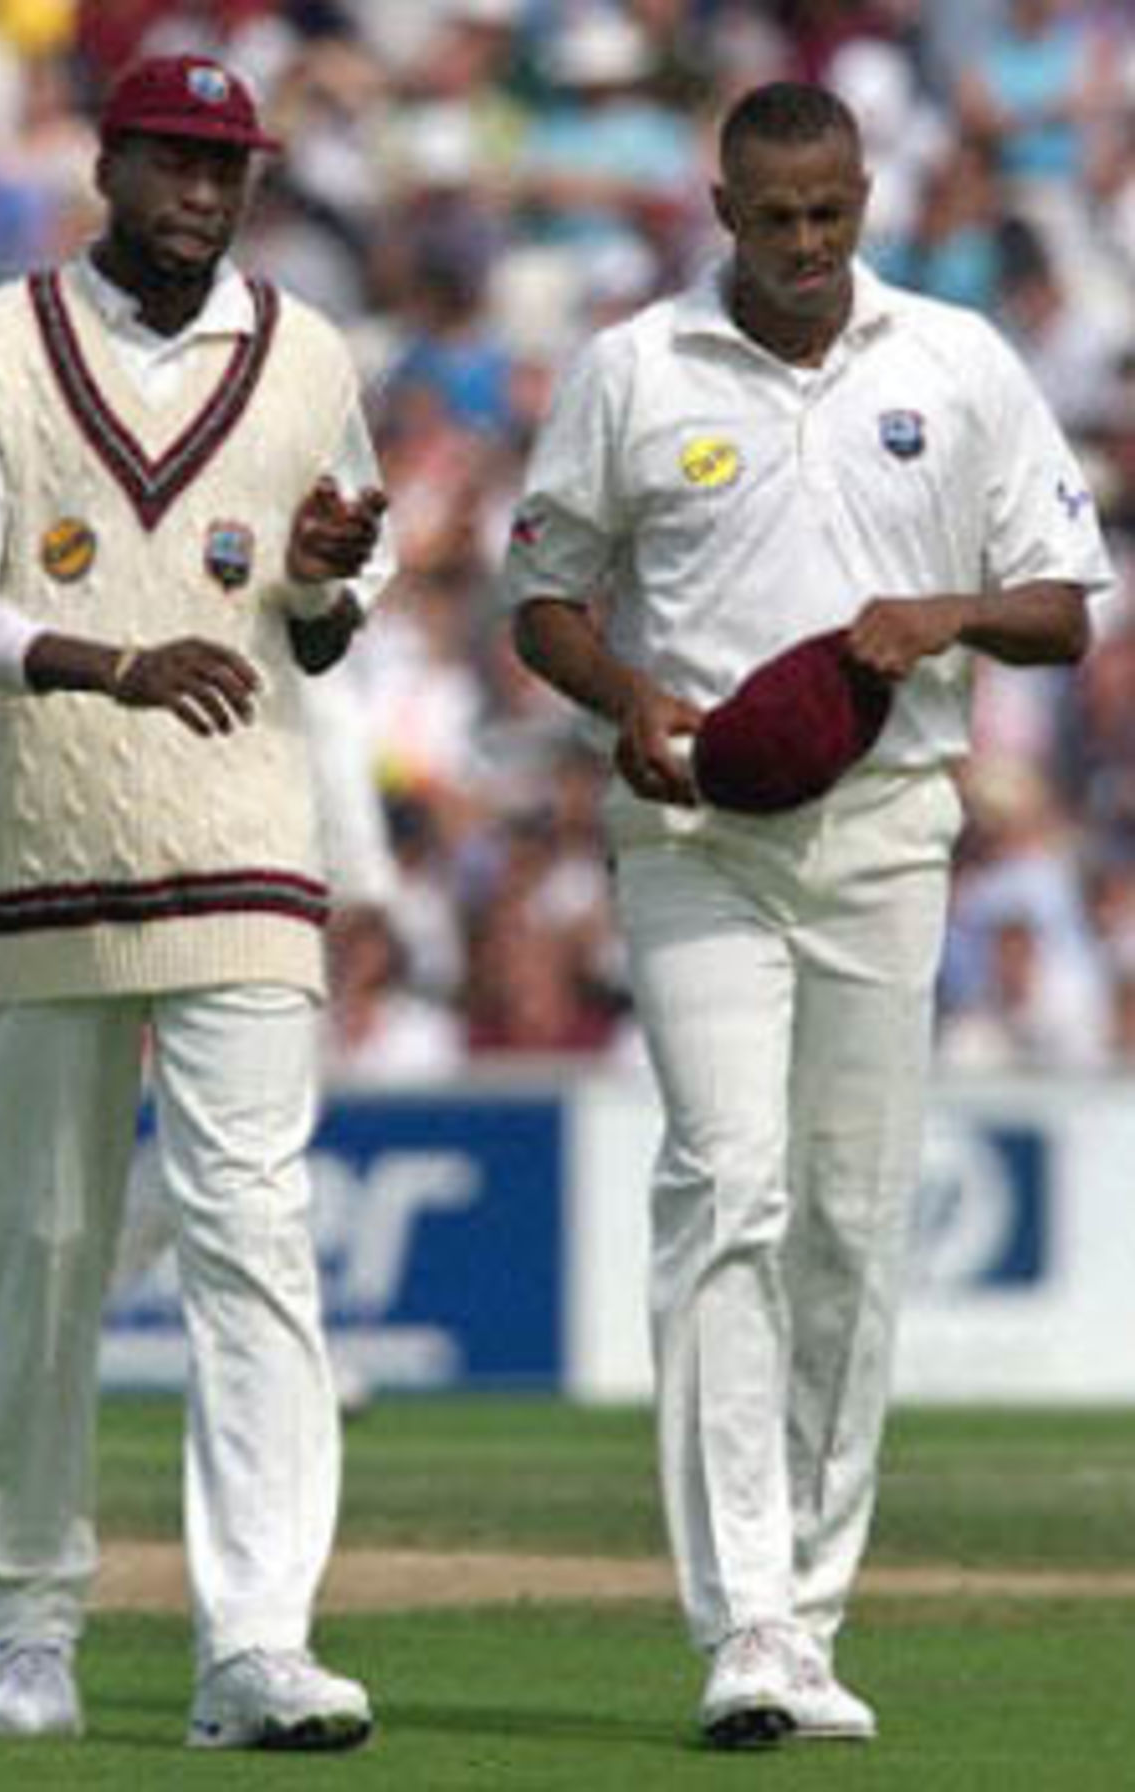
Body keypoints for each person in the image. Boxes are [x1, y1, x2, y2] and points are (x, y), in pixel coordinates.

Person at [503, 80, 1112, 1750]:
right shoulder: (635, 367)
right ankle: (746, 1625)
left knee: (849, 1221)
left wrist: (952, 614)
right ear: (719, 211)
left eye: (829, 213)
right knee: (728, 1188)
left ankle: (814, 1612)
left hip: (890, 831)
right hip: (692, 825)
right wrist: (625, 698)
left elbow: (1065, 608)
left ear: (866, 197)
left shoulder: (957, 361)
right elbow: (541, 597)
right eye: (771, 218)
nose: (803, 245)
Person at [0, 53, 393, 1751]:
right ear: (107, 164)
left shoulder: (311, 354)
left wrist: (320, 576)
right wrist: (105, 659)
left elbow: (328, 616)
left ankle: (258, 1640)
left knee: (255, 1234)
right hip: (45, 854)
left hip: (252, 846)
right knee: (40, 1249)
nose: (202, 191)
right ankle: (24, 1620)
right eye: (173, 160)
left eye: (228, 165)